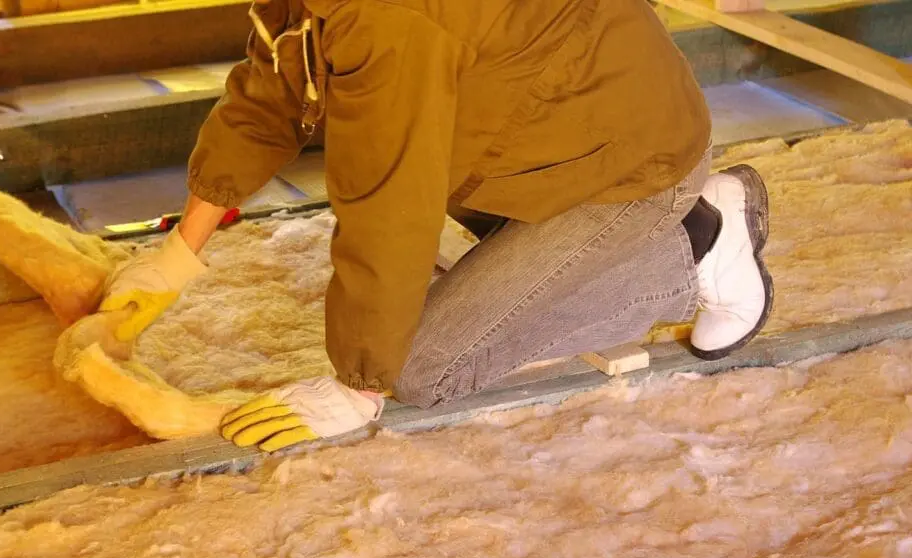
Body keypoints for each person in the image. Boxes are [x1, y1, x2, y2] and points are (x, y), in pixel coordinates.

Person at [101, 0, 773, 453]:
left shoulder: (390, 19)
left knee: (423, 368)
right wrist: (177, 254)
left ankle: (699, 245)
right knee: (427, 305)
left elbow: (389, 199)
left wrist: (358, 382)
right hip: (542, 145)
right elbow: (271, 88)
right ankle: (610, 243)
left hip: (628, 163)